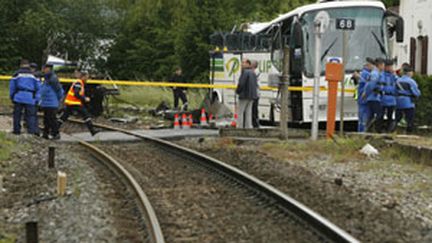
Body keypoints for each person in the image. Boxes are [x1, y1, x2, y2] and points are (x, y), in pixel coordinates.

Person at [58, 71, 99, 136]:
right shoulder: (78, 83)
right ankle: (92, 130)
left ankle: (54, 129)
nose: (87, 79)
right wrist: (84, 98)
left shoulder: (79, 83)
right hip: (74, 103)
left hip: (70, 102)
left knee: (64, 117)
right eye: (86, 77)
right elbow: (76, 93)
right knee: (86, 115)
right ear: (83, 77)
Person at [9, 59, 41, 135]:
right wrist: (37, 98)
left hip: (19, 96)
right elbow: (38, 88)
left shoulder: (16, 74)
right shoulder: (34, 75)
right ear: (28, 65)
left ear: (20, 65)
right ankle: (31, 132)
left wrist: (12, 96)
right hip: (30, 97)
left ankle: (16, 131)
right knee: (31, 116)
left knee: (17, 115)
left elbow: (12, 87)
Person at [40, 64, 64, 139]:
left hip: (51, 102)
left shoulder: (53, 78)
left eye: (44, 68)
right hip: (47, 102)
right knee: (46, 119)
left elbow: (58, 90)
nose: (43, 70)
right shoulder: (47, 78)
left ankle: (56, 133)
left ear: (48, 69)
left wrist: (59, 98)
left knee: (52, 119)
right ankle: (46, 133)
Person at [395, 65, 421, 133]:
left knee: (397, 118)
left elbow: (394, 90)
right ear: (409, 72)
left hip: (398, 101)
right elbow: (416, 92)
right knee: (409, 119)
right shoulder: (411, 81)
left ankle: (393, 130)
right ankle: (408, 132)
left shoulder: (398, 80)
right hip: (408, 102)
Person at [364, 57, 385, 132]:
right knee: (379, 114)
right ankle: (377, 130)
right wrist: (370, 92)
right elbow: (371, 85)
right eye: (383, 65)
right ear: (379, 65)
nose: (384, 67)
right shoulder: (375, 74)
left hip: (373, 97)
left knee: (371, 115)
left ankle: (369, 131)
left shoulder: (375, 73)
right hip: (374, 97)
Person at [235, 59, 258, 129]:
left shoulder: (245, 73)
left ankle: (240, 127)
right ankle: (248, 127)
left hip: (244, 95)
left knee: (240, 112)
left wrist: (237, 91)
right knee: (248, 112)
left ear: (248, 64)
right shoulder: (253, 73)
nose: (241, 64)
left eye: (243, 63)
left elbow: (241, 83)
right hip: (252, 96)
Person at [356, 58, 374, 132]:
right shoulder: (367, 74)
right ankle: (363, 132)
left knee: (361, 118)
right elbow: (369, 84)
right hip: (365, 99)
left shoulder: (362, 73)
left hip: (361, 99)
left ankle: (361, 131)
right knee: (365, 117)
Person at [380, 59, 397, 132]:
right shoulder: (382, 75)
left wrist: (394, 75)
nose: (391, 68)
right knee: (381, 115)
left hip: (392, 99)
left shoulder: (393, 76)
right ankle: (380, 129)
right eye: (390, 67)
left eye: (391, 67)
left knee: (390, 116)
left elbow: (397, 83)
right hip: (383, 98)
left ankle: (389, 130)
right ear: (385, 67)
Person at [251, 60, 260, 128]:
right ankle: (255, 123)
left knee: (254, 109)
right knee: (254, 109)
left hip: (254, 94)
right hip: (255, 94)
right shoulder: (255, 72)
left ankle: (255, 123)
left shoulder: (255, 72)